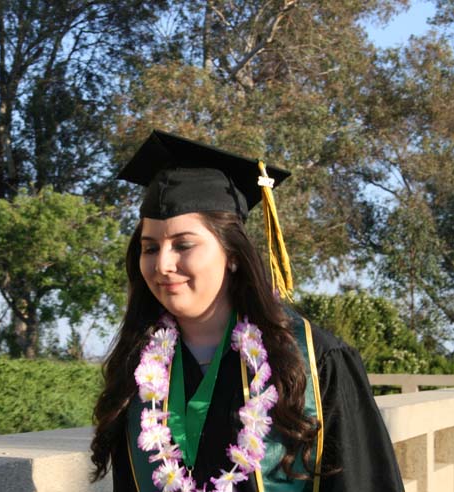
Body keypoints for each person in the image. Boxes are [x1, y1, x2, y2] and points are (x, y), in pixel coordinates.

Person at [90, 130, 404, 492]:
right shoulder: (139, 370)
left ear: (234, 254)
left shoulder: (310, 361)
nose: (162, 264)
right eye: (149, 248)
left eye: (183, 245)